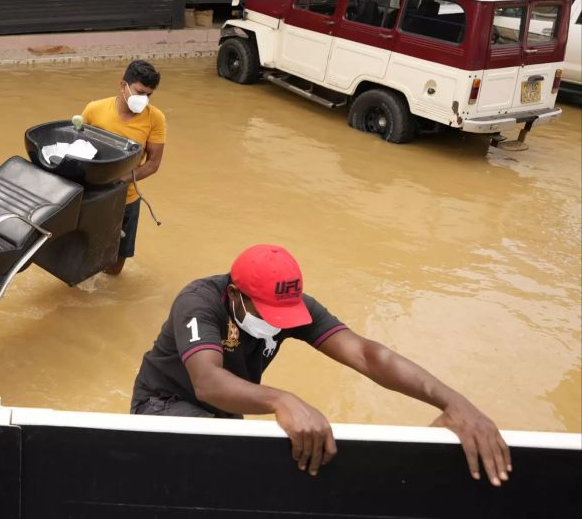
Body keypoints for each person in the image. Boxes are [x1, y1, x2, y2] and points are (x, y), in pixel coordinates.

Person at [131, 244, 512, 487]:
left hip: (226, 412)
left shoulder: (290, 308)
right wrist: (282, 400)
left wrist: (453, 402)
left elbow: (366, 354)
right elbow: (208, 382)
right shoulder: (198, 302)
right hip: (164, 403)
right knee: (226, 476)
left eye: (285, 315)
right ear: (235, 295)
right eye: (269, 314)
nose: (278, 323)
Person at [81, 60, 166, 275]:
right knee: (82, 254)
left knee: (114, 268)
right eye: (139, 92)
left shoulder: (155, 119)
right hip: (91, 196)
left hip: (126, 200)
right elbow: (77, 147)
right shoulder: (94, 110)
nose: (143, 99)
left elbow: (153, 163)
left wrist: (120, 180)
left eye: (148, 95)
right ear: (123, 86)